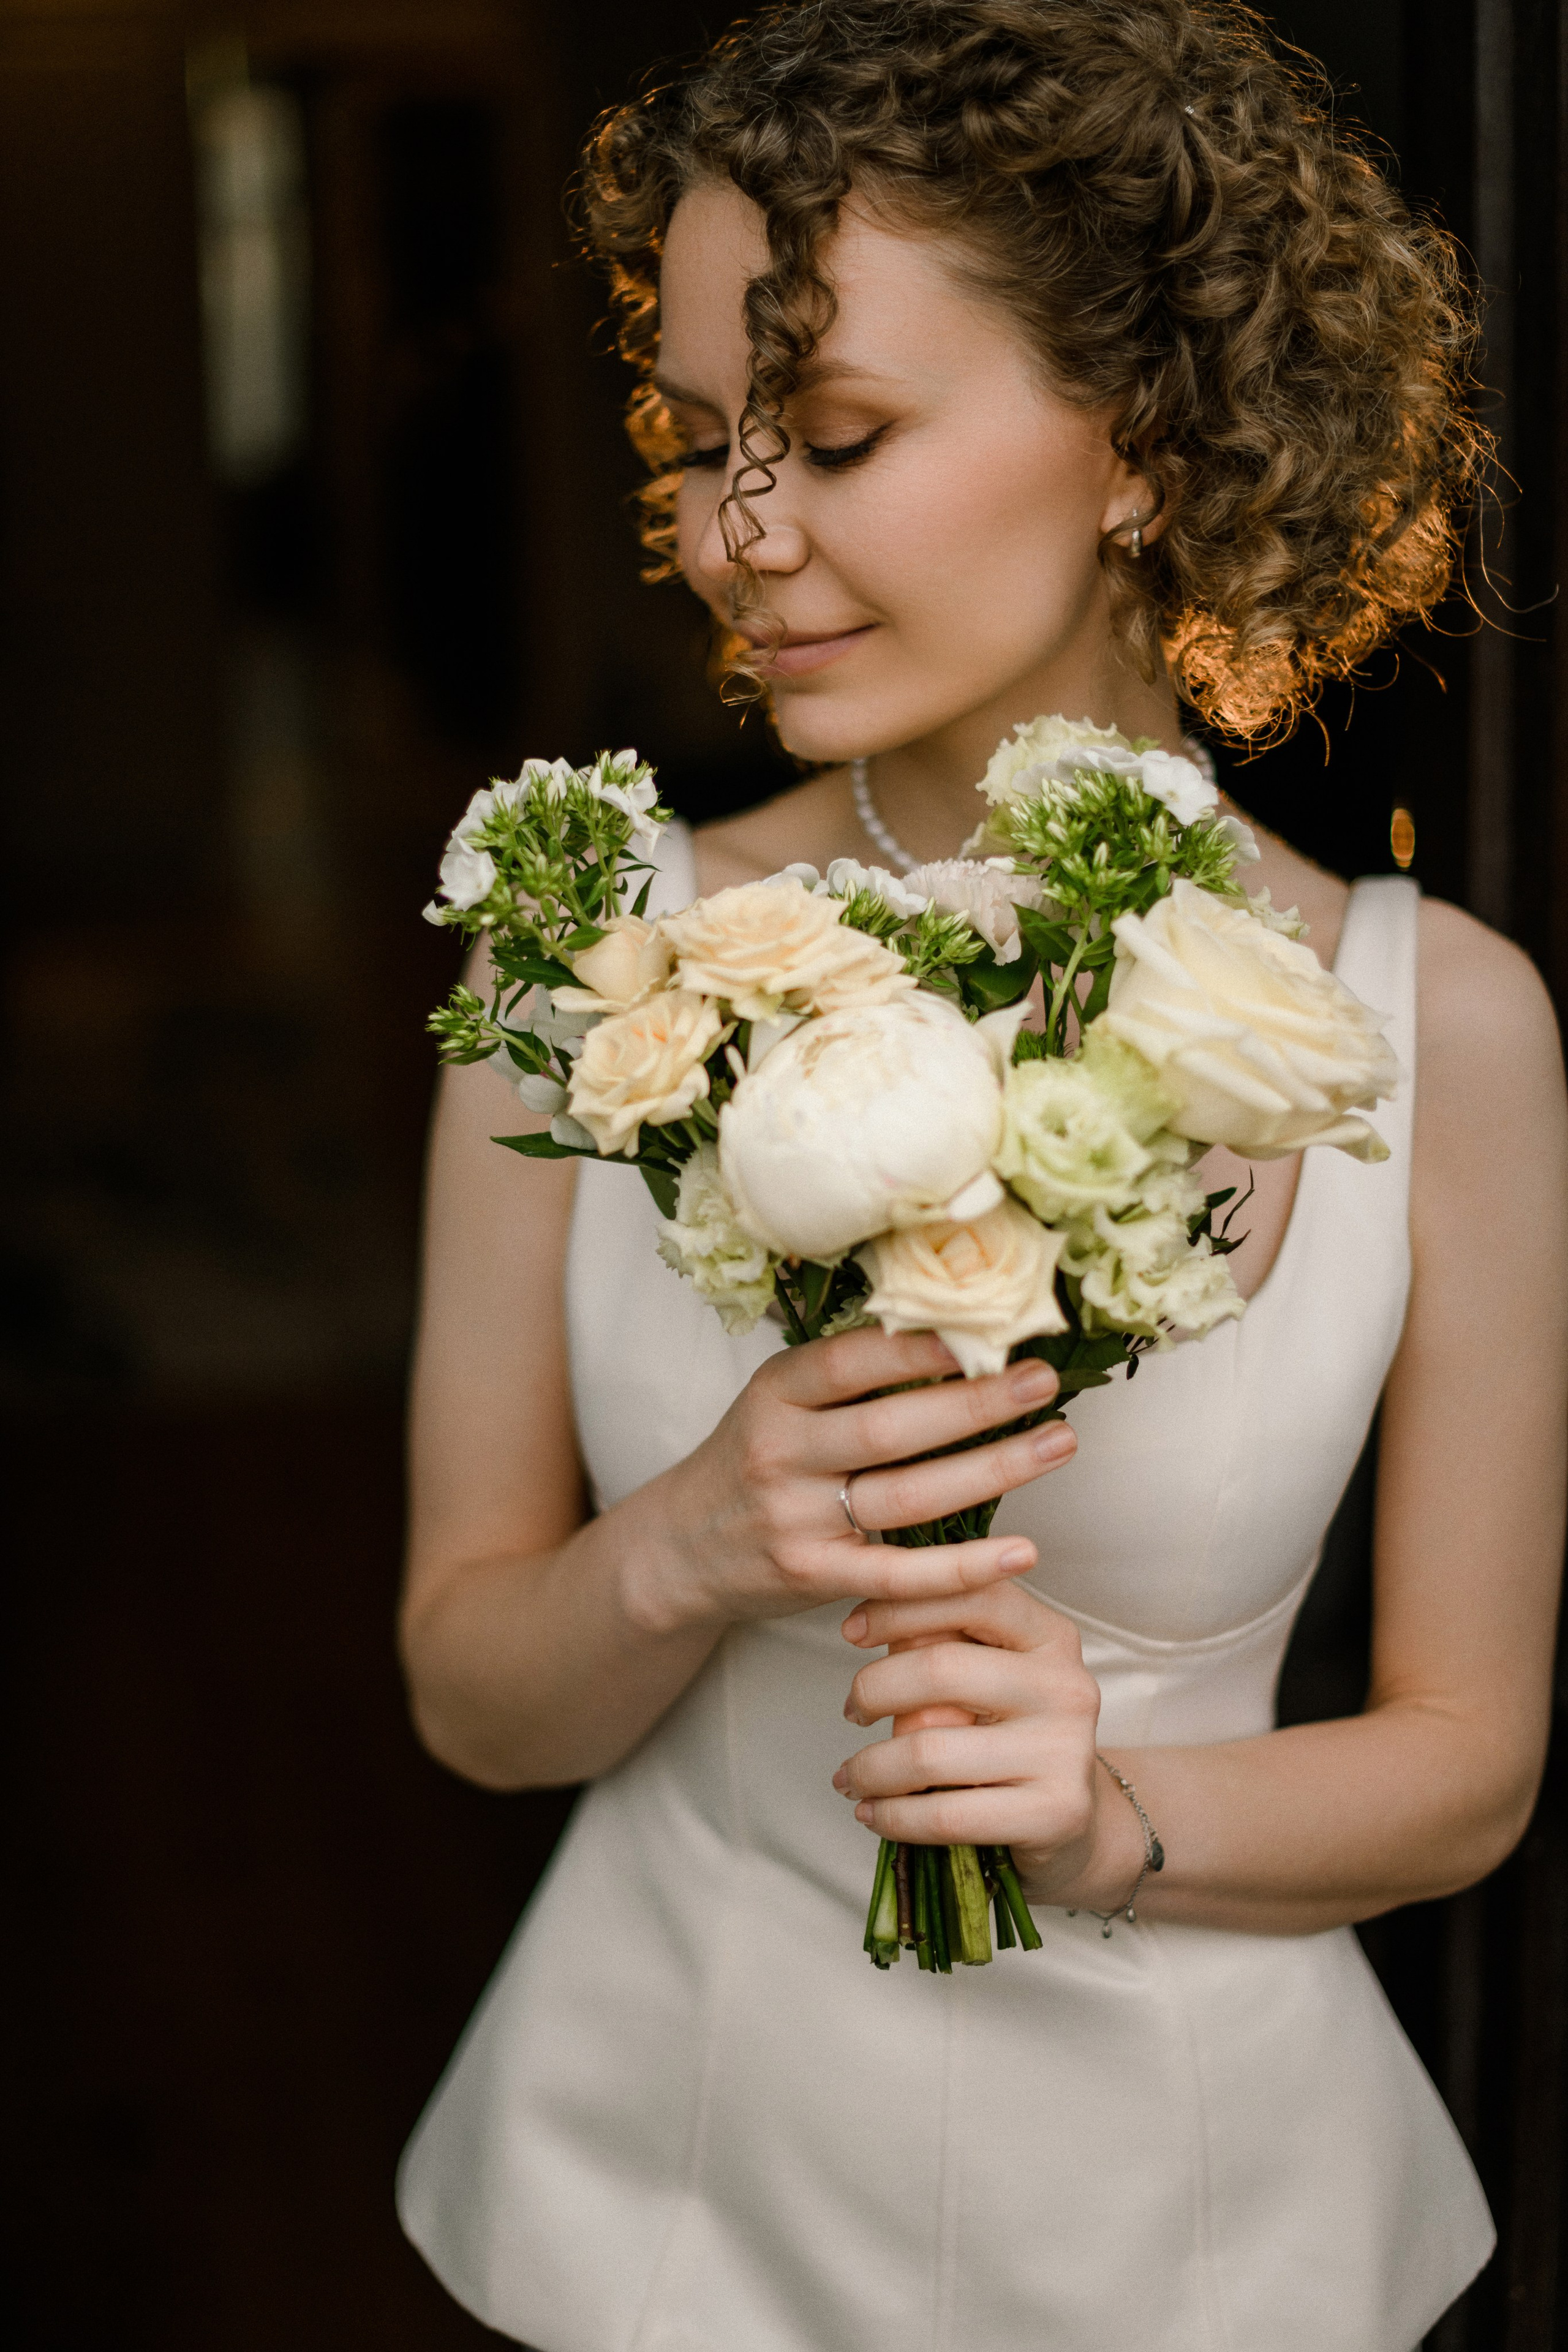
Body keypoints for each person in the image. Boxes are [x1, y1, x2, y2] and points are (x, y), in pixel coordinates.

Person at [395, 4, 1568, 2346]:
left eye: (832, 438)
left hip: (1200, 2225)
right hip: (668, 2194)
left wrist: (1107, 1827)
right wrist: (688, 1549)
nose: (744, 537)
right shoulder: (583, 949)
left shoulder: (1451, 1025)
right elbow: (471, 1694)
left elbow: (1468, 1769)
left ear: (1138, 442)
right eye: (711, 443)